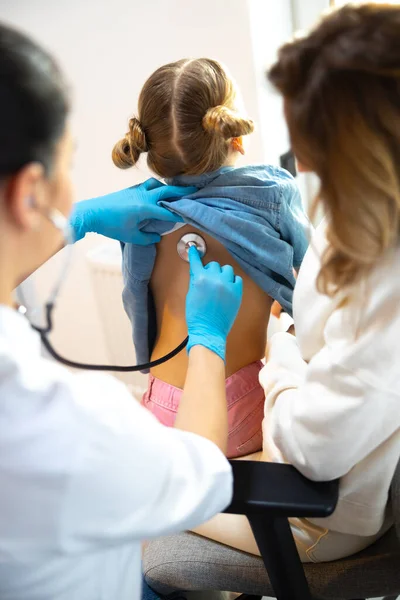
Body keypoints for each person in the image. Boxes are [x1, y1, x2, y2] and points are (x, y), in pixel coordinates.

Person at [142, 4, 400, 589]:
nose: (299, 161)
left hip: (317, 509)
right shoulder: (344, 214)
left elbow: (315, 450)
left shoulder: (389, 291)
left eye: (311, 140)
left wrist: (280, 358)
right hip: (284, 446)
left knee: (128, 506)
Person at [0, 22, 244, 600]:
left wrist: (80, 218)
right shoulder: (59, 421)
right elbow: (201, 473)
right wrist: (207, 336)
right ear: (28, 191)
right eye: (69, 161)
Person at [112, 58, 310, 458]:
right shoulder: (272, 194)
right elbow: (318, 287)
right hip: (238, 406)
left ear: (151, 150)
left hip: (163, 407)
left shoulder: (138, 212)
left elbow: (137, 303)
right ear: (235, 136)